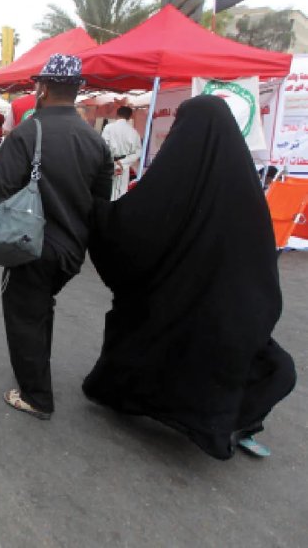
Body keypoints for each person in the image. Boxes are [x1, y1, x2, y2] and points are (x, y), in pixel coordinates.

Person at [83, 95, 296, 460]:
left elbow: (135, 229)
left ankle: (135, 396)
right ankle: (231, 419)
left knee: (146, 323)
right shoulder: (248, 191)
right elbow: (264, 269)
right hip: (234, 325)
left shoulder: (175, 178)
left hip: (174, 314)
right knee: (272, 366)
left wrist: (97, 213)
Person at [0, 54, 114, 420]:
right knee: (40, 308)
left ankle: (36, 395)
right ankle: (36, 373)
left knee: (24, 313)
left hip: (31, 245)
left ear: (41, 88)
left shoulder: (28, 132)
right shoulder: (95, 140)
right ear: (78, 90)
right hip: (71, 251)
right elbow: (101, 203)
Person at [101, 105, 142, 200]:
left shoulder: (109, 128)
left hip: (109, 164)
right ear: (130, 116)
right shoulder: (133, 132)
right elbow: (138, 151)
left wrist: (112, 162)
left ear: (117, 114)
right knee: (121, 193)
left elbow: (103, 147)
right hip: (124, 165)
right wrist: (124, 162)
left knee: (107, 191)